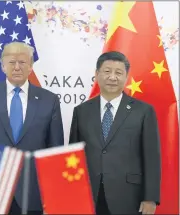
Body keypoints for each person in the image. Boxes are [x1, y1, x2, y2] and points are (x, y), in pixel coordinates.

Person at [0, 42, 64, 214]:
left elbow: (55, 149)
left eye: (22, 62)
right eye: (11, 62)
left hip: (32, 189)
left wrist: (53, 190)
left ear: (30, 66)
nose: (17, 67)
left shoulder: (49, 100)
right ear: (2, 66)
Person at [69, 51, 161, 215]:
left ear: (126, 77)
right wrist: (72, 194)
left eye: (118, 73)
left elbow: (152, 157)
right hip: (89, 195)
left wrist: (150, 198)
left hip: (129, 196)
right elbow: (73, 157)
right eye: (107, 71)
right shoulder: (81, 111)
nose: (112, 77)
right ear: (97, 74)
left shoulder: (143, 111)